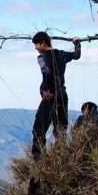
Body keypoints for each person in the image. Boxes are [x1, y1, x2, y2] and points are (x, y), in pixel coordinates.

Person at [31, 31, 81, 160]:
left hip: (50, 97)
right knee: (60, 129)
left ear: (42, 42)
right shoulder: (61, 54)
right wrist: (77, 43)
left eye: (36, 45)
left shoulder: (41, 58)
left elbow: (46, 75)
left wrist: (43, 91)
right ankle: (60, 157)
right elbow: (76, 55)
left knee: (38, 128)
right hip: (62, 95)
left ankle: (38, 159)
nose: (36, 48)